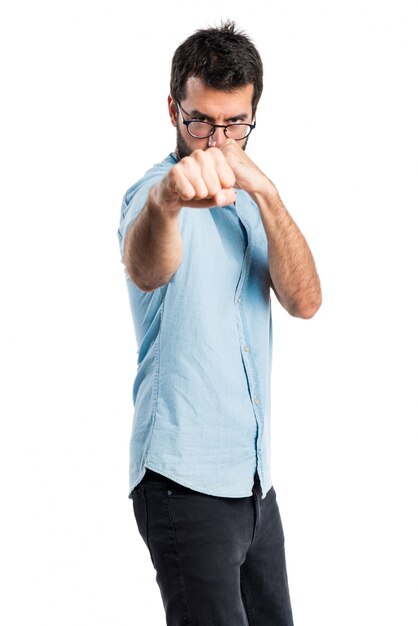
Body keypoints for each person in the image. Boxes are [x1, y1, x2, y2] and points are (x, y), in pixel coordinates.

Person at [117, 20, 321, 626]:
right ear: (174, 109)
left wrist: (270, 196)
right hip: (184, 486)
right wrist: (170, 202)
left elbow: (305, 301)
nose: (215, 140)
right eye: (201, 120)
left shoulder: (256, 204)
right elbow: (147, 266)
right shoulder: (152, 193)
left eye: (235, 125)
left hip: (254, 485)